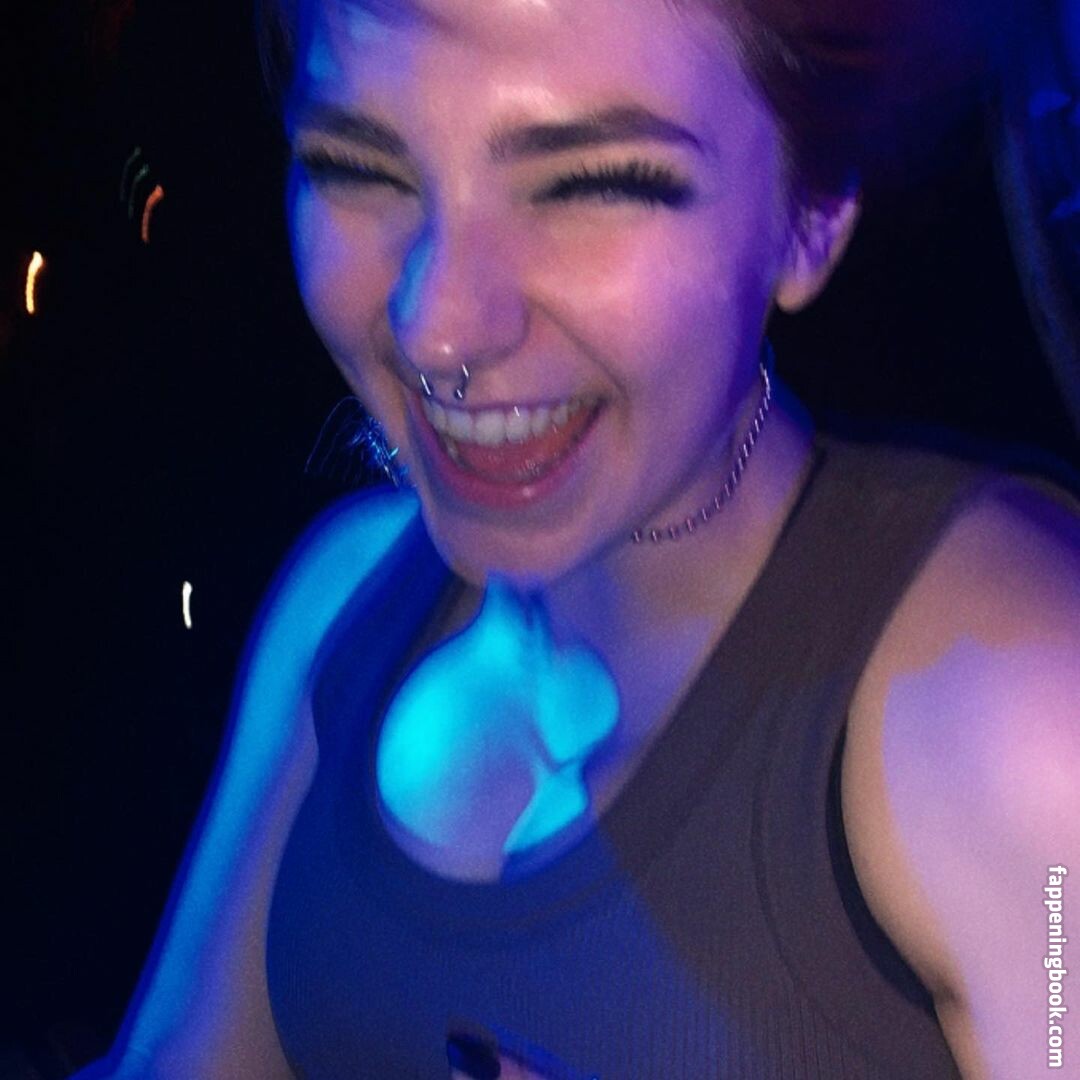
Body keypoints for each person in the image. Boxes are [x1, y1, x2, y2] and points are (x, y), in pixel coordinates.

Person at [74, 0, 1079, 1076]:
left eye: (588, 185)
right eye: (357, 168)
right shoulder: (340, 597)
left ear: (813, 211)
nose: (434, 327)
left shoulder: (1016, 706)